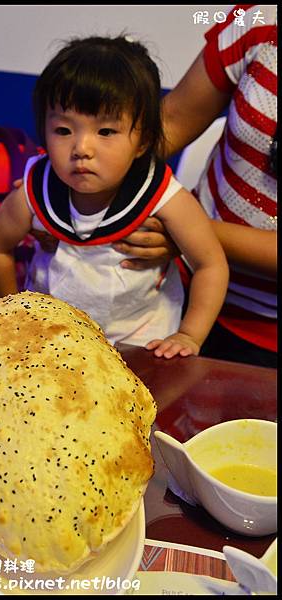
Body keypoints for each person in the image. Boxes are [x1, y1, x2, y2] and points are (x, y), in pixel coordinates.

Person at [0, 35, 228, 359]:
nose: (81, 149)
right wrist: (12, 313)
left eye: (106, 132)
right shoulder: (34, 190)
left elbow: (211, 265)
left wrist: (189, 334)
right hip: (52, 338)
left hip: (141, 344)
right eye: (63, 131)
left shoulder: (161, 196)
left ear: (143, 142)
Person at [112, 5, 277, 367]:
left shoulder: (184, 231)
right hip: (185, 288)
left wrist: (187, 232)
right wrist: (64, 187)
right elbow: (170, 122)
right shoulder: (260, 18)